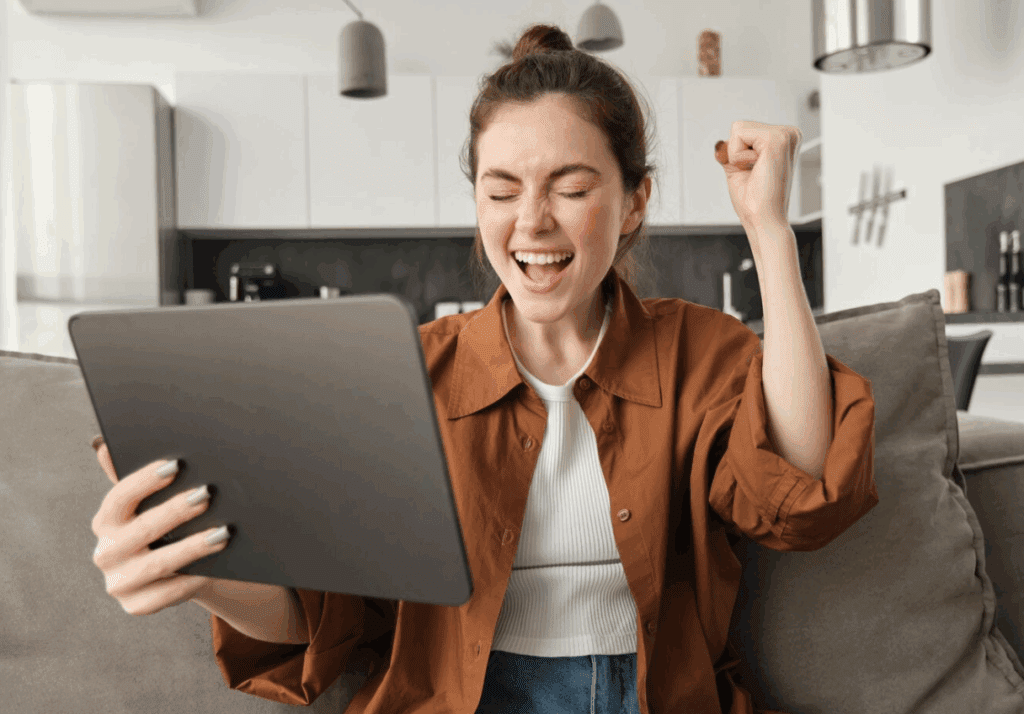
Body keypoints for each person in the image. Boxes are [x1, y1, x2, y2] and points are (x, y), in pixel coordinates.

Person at [88, 23, 879, 714]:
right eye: (502, 191)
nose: (532, 222)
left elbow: (804, 490)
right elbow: (323, 616)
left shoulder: (702, 351)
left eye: (572, 188)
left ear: (636, 202)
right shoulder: (404, 378)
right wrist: (200, 574)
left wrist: (769, 228)